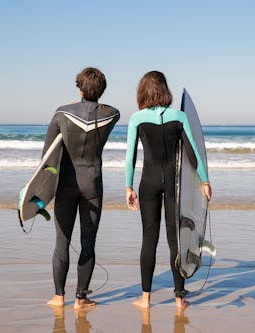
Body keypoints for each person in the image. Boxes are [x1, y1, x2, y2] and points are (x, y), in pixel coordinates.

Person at [125, 71, 212, 309]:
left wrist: (128, 187)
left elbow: (130, 157)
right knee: (176, 240)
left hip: (148, 183)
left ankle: (145, 299)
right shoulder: (179, 116)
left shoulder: (136, 118)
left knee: (149, 240)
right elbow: (193, 152)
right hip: (173, 184)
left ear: (142, 91)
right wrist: (204, 182)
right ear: (165, 90)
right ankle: (179, 298)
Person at [44, 67, 120, 309]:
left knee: (62, 242)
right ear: (102, 90)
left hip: (65, 184)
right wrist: (86, 101)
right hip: (92, 185)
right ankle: (81, 299)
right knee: (88, 241)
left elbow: (47, 157)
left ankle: (58, 297)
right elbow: (112, 110)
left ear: (79, 88)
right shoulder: (111, 116)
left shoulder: (62, 113)